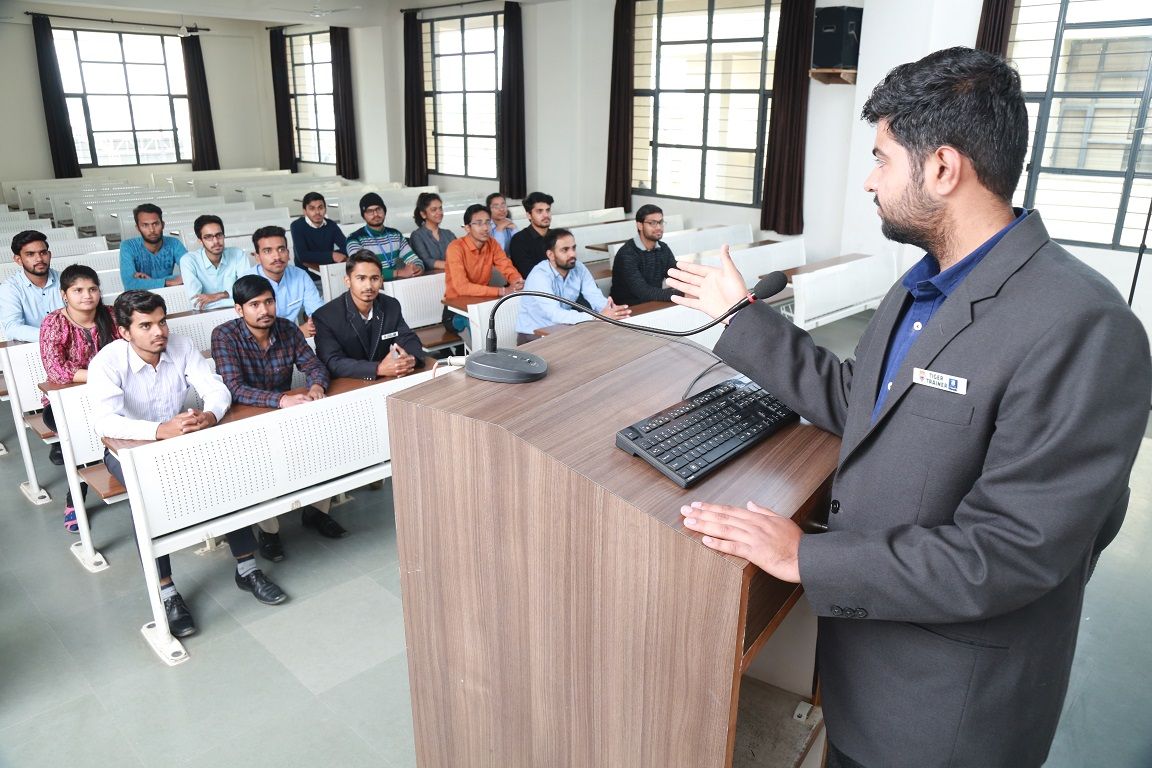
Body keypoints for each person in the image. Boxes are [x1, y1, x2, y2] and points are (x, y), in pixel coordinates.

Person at [668, 47, 1152, 768]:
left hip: (948, 712)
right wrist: (742, 318)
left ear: (942, 169)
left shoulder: (1083, 325)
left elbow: (1012, 551)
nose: (869, 179)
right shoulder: (924, 287)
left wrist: (808, 556)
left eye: (882, 158)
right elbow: (861, 402)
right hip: (869, 675)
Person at [89, 290, 288, 639]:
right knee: (144, 501)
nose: (159, 332)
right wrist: (157, 430)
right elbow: (105, 423)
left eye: (162, 322)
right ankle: (167, 591)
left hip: (183, 439)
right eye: (146, 325)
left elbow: (216, 389)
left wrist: (210, 415)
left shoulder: (180, 346)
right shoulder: (106, 362)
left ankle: (247, 568)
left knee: (228, 479)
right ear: (124, 332)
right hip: (129, 449)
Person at [210, 274, 343, 553]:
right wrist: (282, 399)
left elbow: (314, 365)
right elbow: (234, 388)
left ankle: (316, 512)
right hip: (245, 420)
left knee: (324, 440)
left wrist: (317, 385)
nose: (264, 310)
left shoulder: (287, 329)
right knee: (256, 466)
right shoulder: (224, 335)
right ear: (239, 309)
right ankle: (269, 531)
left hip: (286, 414)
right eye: (254, 304)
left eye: (269, 302)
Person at [38, 264, 116, 529]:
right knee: (81, 436)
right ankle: (75, 498)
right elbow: (56, 370)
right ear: (64, 294)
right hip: (63, 402)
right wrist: (101, 374)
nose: (87, 295)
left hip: (111, 394)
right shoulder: (54, 322)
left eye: (92, 289)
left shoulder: (111, 316)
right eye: (78, 290)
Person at [313, 251, 426, 380]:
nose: (368, 286)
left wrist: (411, 359)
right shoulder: (325, 316)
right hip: (348, 385)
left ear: (381, 280)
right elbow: (332, 362)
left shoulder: (391, 305)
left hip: (387, 380)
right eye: (361, 278)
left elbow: (408, 338)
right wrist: (377, 369)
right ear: (347, 281)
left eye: (374, 279)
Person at [515, 228, 630, 344]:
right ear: (551, 255)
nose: (572, 254)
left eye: (573, 248)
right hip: (533, 336)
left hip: (562, 329)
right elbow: (555, 314)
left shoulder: (578, 268)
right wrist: (597, 317)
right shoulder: (539, 276)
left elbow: (594, 296)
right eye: (565, 250)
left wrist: (611, 311)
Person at [442, 204, 524, 334]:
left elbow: (506, 266)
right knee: (483, 328)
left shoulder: (492, 243)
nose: (485, 228)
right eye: (479, 223)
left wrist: (517, 281)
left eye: (488, 223)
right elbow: (462, 287)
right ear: (467, 228)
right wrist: (501, 291)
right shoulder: (455, 247)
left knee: (513, 316)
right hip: (456, 309)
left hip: (482, 303)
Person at [247, 225, 323, 338]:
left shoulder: (300, 275)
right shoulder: (247, 282)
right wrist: (297, 332)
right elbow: (255, 332)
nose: (277, 256)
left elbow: (319, 313)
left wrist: (314, 323)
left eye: (281, 249)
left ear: (288, 253)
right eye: (268, 251)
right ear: (257, 257)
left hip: (294, 342)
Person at [610, 204, 680, 306]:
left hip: (652, 303)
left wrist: (693, 287)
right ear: (640, 225)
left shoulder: (663, 248)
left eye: (660, 222)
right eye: (653, 223)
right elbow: (643, 292)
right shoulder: (627, 254)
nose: (659, 227)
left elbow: (676, 275)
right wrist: (681, 294)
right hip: (627, 309)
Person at [2, 230, 63, 343]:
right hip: (32, 350)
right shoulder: (10, 289)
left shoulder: (66, 280)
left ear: (49, 255)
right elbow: (13, 328)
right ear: (18, 260)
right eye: (30, 254)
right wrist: (54, 337)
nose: (39, 259)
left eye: (43, 253)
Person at [345, 192, 423, 279]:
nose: (375, 214)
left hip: (395, 285)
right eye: (370, 211)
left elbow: (414, 259)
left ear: (384, 211)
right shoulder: (354, 239)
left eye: (379, 209)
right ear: (364, 215)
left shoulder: (395, 235)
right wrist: (398, 273)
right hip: (370, 287)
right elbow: (364, 271)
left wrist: (417, 268)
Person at [180, 215, 250, 311]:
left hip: (238, 312)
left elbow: (248, 291)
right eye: (208, 237)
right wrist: (236, 300)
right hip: (206, 316)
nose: (216, 241)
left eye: (219, 235)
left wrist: (220, 295)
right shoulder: (189, 260)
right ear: (200, 241)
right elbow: (196, 303)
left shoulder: (238, 254)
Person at [119, 203, 186, 290]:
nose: (151, 230)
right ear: (138, 228)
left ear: (163, 225)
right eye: (145, 225)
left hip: (169, 294)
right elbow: (130, 284)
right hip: (141, 298)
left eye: (155, 224)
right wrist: (167, 282)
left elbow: (193, 273)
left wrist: (149, 283)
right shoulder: (128, 246)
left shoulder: (174, 243)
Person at [288, 191, 348, 269]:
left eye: (320, 208)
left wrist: (330, 256)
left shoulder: (331, 225)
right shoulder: (297, 226)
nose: (317, 212)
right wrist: (331, 255)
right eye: (312, 208)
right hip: (307, 273)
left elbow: (347, 247)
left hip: (328, 270)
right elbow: (302, 256)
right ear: (305, 211)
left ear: (325, 209)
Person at [507, 191, 553, 278]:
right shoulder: (519, 240)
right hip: (533, 288)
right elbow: (529, 274)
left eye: (548, 210)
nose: (546, 215)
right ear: (529, 215)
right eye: (539, 211)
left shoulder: (557, 237)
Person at [408, 192, 456, 271]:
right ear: (423, 214)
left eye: (440, 208)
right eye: (434, 210)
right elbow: (426, 262)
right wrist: (454, 265)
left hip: (453, 277)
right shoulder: (417, 236)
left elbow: (460, 255)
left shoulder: (448, 234)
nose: (439, 212)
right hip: (430, 280)